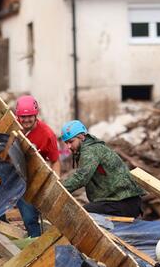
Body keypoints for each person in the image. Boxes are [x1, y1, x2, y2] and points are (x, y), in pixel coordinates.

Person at [59, 120, 145, 218]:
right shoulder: (90, 148)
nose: (68, 146)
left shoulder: (90, 150)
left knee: (83, 215)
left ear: (82, 136)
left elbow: (81, 177)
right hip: (118, 201)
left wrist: (58, 190)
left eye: (71, 141)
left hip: (124, 202)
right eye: (66, 143)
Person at [13, 95, 60, 237]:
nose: (26, 120)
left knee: (29, 217)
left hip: (31, 177)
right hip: (11, 171)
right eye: (22, 117)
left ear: (36, 115)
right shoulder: (12, 127)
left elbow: (55, 160)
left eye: (30, 116)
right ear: (17, 116)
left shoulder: (47, 134)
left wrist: (54, 184)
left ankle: (35, 242)